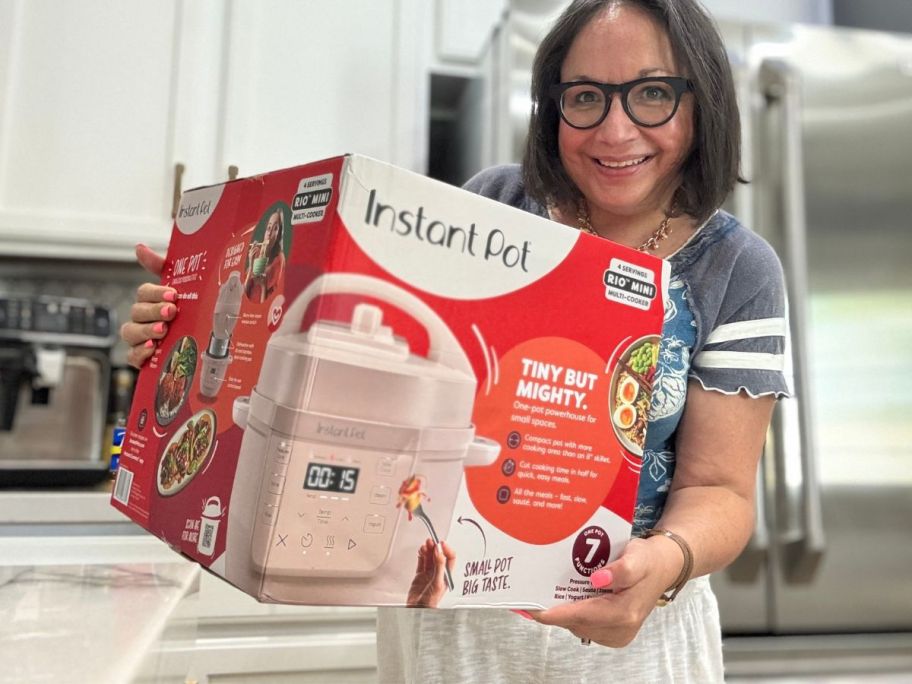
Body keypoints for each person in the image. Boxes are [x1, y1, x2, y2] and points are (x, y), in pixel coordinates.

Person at [121, 0, 790, 680]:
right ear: (553, 107)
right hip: (449, 617)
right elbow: (347, 339)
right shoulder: (495, 204)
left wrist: (667, 560)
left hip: (630, 637)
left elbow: (721, 490)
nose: (616, 130)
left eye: (652, 93)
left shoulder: (736, 269)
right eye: (586, 97)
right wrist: (198, 318)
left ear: (701, 102)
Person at [244, 208, 286, 302]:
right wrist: (251, 266)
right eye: (269, 228)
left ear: (279, 234)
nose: (269, 233)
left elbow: (269, 300)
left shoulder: (279, 258)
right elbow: (244, 293)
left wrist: (263, 285)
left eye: (275, 228)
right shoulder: (257, 252)